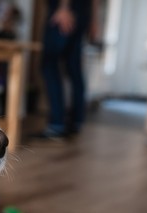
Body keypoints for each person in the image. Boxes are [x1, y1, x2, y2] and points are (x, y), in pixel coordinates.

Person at [36, 0, 99, 140]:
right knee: (74, 68)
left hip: (65, 10)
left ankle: (57, 125)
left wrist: (64, 7)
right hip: (82, 11)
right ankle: (76, 121)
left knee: (49, 65)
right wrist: (93, 20)